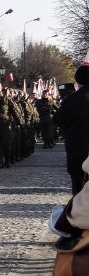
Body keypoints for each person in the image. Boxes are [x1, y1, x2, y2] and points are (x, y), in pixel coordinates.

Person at [53, 66, 89, 195]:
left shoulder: (72, 99)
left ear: (78, 80)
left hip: (78, 152)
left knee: (79, 191)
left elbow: (57, 120)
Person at [0, 82, 22, 169]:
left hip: (5, 125)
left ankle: (7, 160)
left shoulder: (7, 100)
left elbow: (15, 111)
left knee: (7, 143)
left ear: (1, 88)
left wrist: (20, 122)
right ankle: (0, 161)